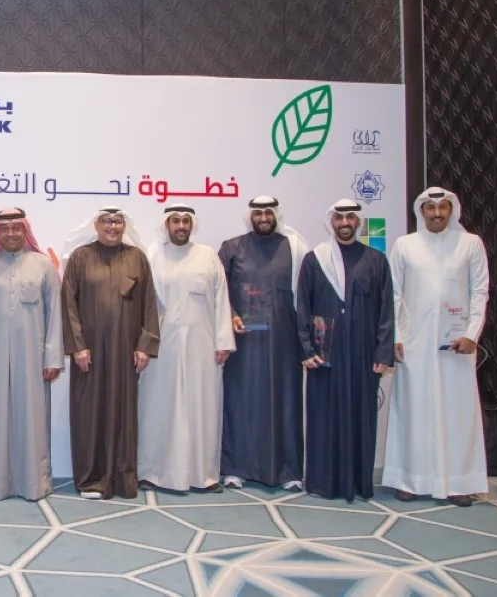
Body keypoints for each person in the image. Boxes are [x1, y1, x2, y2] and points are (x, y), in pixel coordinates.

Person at [384, 187, 489, 507]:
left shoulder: (470, 244)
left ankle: (460, 483)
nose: (437, 214)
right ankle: (409, 479)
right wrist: (396, 336)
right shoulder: (405, 245)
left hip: (457, 345)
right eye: (430, 208)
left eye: (443, 207)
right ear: (421, 212)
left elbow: (480, 291)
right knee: (413, 411)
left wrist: (472, 334)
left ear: (452, 210)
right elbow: (394, 295)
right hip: (414, 344)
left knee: (458, 414)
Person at [296, 199, 394, 502]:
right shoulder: (315, 260)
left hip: (364, 357)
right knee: (323, 418)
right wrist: (306, 349)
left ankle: (359, 483)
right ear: (332, 222)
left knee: (360, 418)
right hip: (324, 357)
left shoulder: (376, 261)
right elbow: (303, 307)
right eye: (339, 218)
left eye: (351, 217)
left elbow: (386, 311)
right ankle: (323, 483)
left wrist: (383, 353)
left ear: (359, 222)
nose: (345, 223)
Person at [0, 208, 62, 501]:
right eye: (4, 230)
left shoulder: (43, 266)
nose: (10, 234)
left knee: (32, 419)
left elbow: (55, 313)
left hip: (33, 359)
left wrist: (53, 358)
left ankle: (33, 484)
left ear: (25, 231)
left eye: (16, 229)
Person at [60, 207, 158, 500]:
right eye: (107, 221)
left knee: (124, 413)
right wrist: (77, 345)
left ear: (124, 225)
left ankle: (122, 479)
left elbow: (150, 304)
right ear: (96, 225)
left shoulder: (137, 258)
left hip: (126, 351)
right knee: (89, 412)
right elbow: (69, 303)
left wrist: (145, 345)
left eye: (117, 222)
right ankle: (90, 479)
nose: (112, 227)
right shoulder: (81, 257)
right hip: (88, 352)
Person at [137, 204, 234, 494]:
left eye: (185, 221)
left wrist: (223, 341)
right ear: (166, 224)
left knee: (202, 407)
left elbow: (221, 299)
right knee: (157, 407)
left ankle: (204, 474)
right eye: (175, 221)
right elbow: (143, 305)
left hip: (202, 346)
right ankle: (152, 473)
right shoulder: (152, 256)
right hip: (161, 346)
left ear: (192, 224)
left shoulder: (207, 256)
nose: (181, 226)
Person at [218, 196, 309, 491]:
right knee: (241, 403)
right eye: (258, 212)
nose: (264, 217)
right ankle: (235, 468)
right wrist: (230, 316)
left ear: (276, 215)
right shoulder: (232, 248)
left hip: (285, 342)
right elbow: (218, 291)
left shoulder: (295, 248)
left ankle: (289, 470)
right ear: (250, 216)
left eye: (268, 212)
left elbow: (306, 296)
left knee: (286, 402)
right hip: (244, 344)